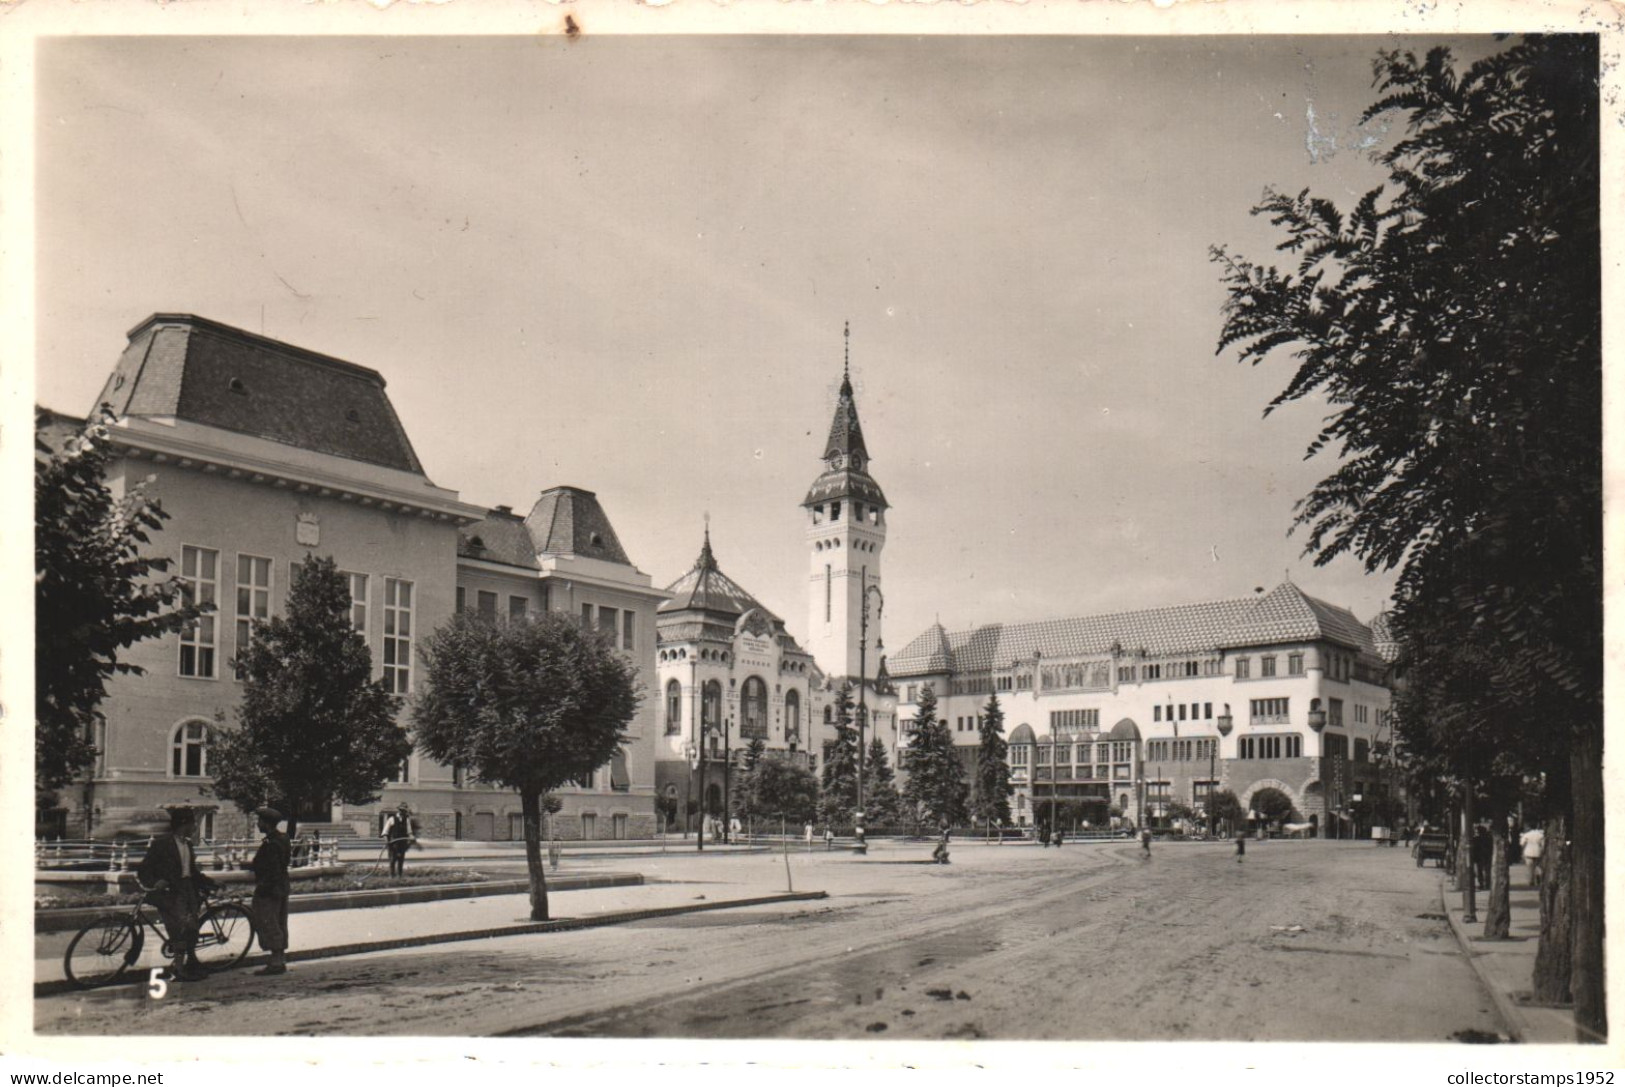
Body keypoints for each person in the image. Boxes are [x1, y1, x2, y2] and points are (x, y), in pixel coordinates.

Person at [135, 806, 216, 981]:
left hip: (188, 890)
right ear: (183, 824)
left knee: (191, 927)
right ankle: (179, 970)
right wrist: (155, 882)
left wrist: (212, 882)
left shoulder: (188, 844)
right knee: (178, 930)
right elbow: (144, 869)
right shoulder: (162, 844)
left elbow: (192, 872)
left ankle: (189, 963)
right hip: (171, 893)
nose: (195, 827)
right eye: (193, 823)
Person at [250, 807, 292, 977]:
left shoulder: (271, 843)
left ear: (266, 824)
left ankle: (275, 962)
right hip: (282, 886)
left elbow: (271, 868)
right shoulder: (283, 838)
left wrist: (262, 889)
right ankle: (280, 959)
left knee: (269, 923)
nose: (258, 824)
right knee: (280, 922)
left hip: (270, 889)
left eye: (260, 821)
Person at [383, 803, 414, 877]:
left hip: (402, 844)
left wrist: (411, 837)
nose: (403, 812)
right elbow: (385, 832)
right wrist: (387, 841)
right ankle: (391, 876)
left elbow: (409, 832)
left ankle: (399, 876)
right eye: (402, 810)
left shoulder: (406, 820)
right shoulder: (391, 819)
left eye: (404, 811)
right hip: (393, 844)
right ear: (399, 810)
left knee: (401, 861)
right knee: (392, 860)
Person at [1471, 823, 1492, 890]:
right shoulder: (1489, 838)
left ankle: (1482, 884)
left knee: (1480, 871)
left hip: (1479, 857)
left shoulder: (1476, 839)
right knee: (1486, 871)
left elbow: (1474, 848)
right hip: (1486, 856)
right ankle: (1487, 884)